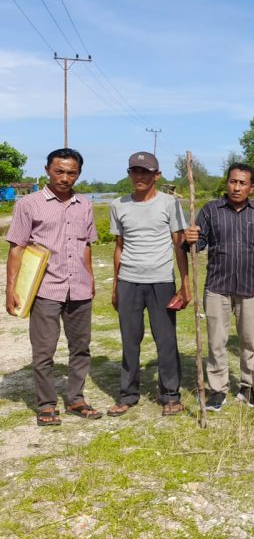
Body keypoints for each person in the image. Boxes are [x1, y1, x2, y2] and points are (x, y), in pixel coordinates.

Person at [5, 148, 101, 426]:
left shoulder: (84, 204)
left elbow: (86, 245)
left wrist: (91, 277)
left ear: (79, 174)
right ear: (47, 169)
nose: (65, 177)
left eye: (71, 172)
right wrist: (10, 289)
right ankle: (46, 404)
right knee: (44, 351)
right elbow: (17, 248)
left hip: (79, 289)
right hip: (45, 288)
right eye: (59, 171)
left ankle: (76, 399)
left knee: (81, 348)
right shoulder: (29, 204)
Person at [183, 163, 254, 411]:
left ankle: (248, 386)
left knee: (249, 341)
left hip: (249, 286)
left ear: (251, 188)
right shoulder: (211, 210)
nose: (236, 187)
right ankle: (218, 389)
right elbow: (199, 243)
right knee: (217, 341)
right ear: (226, 183)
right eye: (233, 181)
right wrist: (191, 239)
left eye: (242, 183)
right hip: (217, 286)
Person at [107, 151, 190, 417]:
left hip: (162, 280)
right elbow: (118, 248)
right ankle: (128, 394)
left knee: (165, 339)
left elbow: (179, 245)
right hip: (129, 281)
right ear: (129, 174)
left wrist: (185, 283)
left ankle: (170, 394)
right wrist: (116, 286)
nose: (139, 177)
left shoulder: (170, 204)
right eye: (135, 171)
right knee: (130, 340)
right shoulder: (118, 205)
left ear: (157, 175)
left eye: (145, 172)